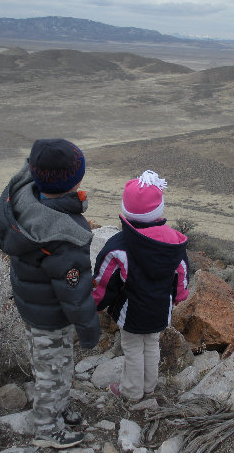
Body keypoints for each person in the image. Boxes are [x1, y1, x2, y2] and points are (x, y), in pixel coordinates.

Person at [0, 138, 99, 449]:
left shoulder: (26, 198)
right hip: (51, 313)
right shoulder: (61, 233)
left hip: (32, 303)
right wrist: (89, 328)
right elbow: (72, 283)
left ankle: (60, 405)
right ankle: (46, 427)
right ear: (74, 179)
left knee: (53, 359)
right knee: (53, 366)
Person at [92, 170, 189, 401]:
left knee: (133, 348)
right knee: (152, 343)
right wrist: (178, 297)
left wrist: (96, 302)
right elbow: (182, 274)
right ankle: (148, 387)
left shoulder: (120, 245)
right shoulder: (174, 242)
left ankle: (132, 392)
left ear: (125, 209)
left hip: (132, 309)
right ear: (159, 208)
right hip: (160, 308)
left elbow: (105, 279)